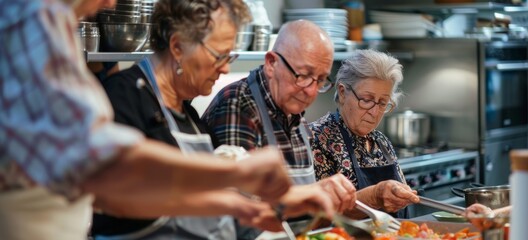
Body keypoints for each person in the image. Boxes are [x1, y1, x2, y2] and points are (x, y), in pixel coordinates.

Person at [0, 1, 324, 239]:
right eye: (220, 55)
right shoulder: (36, 18)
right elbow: (110, 179)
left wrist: (241, 206)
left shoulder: (192, 117)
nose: (112, 3)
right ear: (178, 47)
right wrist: (238, 174)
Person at [203, 21, 359, 238]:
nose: (311, 91)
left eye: (321, 80)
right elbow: (240, 208)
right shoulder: (238, 105)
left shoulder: (293, 111)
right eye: (303, 75)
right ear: (271, 63)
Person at [309, 49, 419, 219]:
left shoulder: (381, 142)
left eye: (383, 103)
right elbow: (318, 216)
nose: (375, 113)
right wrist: (373, 197)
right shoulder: (316, 139)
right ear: (343, 92)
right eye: (367, 100)